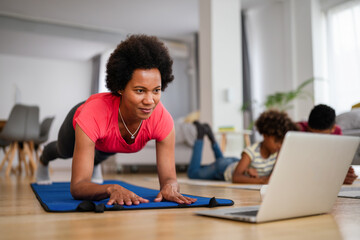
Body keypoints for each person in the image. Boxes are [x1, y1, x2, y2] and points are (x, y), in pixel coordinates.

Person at [36, 34, 197, 206]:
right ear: (120, 88)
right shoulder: (92, 115)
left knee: (105, 148)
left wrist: (170, 186)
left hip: (108, 138)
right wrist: (110, 188)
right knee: (64, 150)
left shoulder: (162, 120)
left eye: (156, 90)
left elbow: (169, 177)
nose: (150, 101)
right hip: (82, 119)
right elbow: (77, 187)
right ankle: (44, 157)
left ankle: (92, 161)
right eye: (140, 90)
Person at [187, 110, 299, 184]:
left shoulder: (277, 153)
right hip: (223, 168)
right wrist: (262, 180)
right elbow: (236, 177)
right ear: (265, 135)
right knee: (193, 174)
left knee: (222, 160)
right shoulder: (251, 152)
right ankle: (200, 136)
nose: (280, 146)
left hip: (234, 162)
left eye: (282, 142)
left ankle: (211, 136)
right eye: (277, 141)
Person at [297, 104, 358, 184]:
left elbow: (338, 161)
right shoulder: (297, 129)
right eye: (312, 134)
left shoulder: (337, 132)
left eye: (322, 136)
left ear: (333, 128)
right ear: (308, 125)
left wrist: (343, 174)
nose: (317, 140)